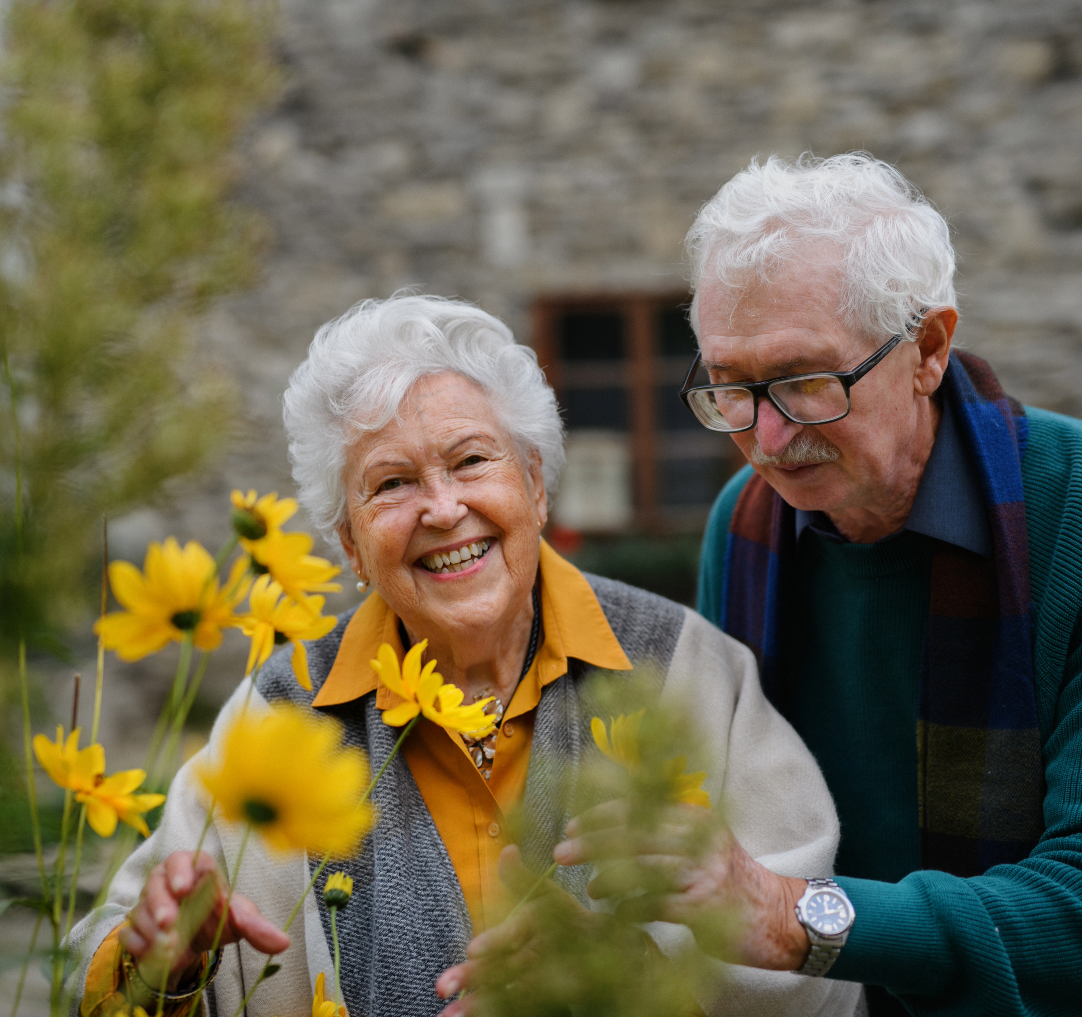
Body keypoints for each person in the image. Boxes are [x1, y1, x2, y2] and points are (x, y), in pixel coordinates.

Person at [552, 153, 1082, 1015]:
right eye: (731, 388)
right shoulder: (743, 528)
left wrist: (794, 918)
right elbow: (732, 833)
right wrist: (584, 929)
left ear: (927, 348)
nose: (769, 440)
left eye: (805, 383)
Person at [68, 294, 861, 1017]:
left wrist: (639, 975)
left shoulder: (682, 667)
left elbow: (812, 959)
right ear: (350, 543)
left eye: (472, 460)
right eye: (391, 484)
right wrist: (161, 966)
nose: (444, 509)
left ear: (536, 484)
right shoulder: (286, 709)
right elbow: (113, 965)